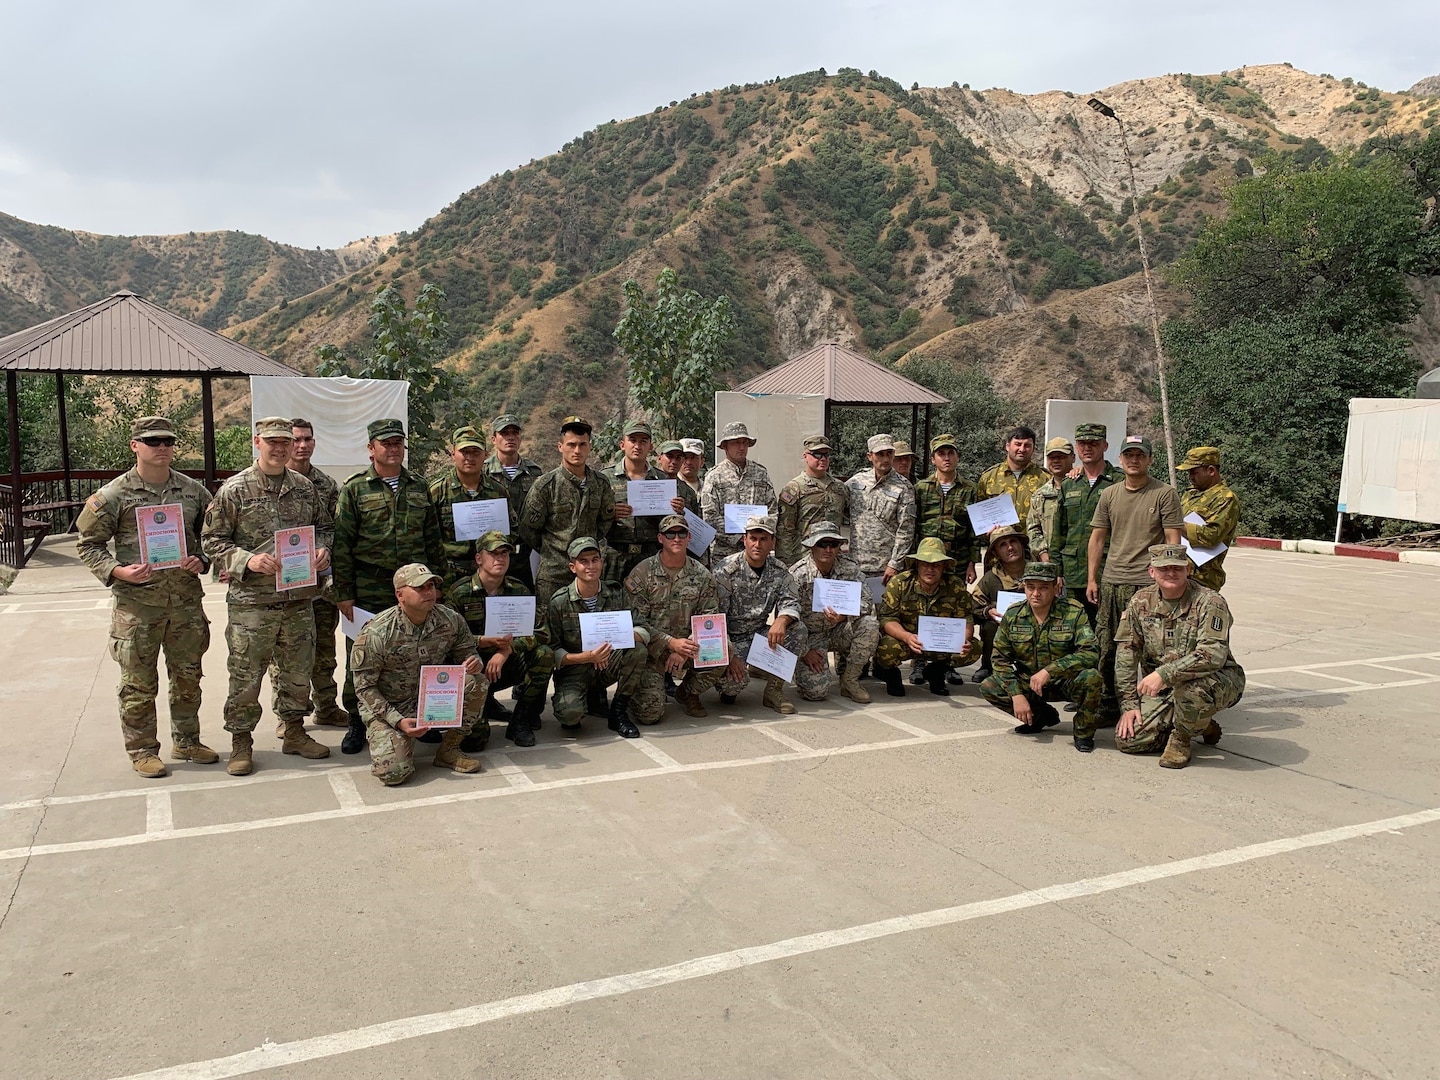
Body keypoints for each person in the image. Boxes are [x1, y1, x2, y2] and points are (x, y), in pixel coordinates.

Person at [76, 416, 214, 777]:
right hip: (137, 607)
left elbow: (214, 537)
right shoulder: (112, 496)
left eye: (168, 441)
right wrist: (118, 571)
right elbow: (88, 545)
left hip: (184, 603)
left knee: (188, 677)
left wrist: (202, 560)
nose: (162, 448)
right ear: (135, 445)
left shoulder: (193, 492)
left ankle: (187, 741)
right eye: (153, 441)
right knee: (138, 683)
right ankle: (142, 750)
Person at [202, 417, 334, 776]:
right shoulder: (235, 490)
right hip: (253, 603)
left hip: (297, 598)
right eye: (271, 442)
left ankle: (293, 731)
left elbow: (324, 528)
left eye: (285, 442)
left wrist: (322, 550)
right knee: (245, 675)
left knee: (296, 671)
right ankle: (241, 741)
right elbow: (212, 541)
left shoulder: (305, 488)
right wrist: (248, 560)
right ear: (257, 442)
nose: (279, 448)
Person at [332, 418, 446, 755]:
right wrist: (344, 593)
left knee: (419, 653)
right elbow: (342, 545)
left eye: (398, 442)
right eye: (386, 443)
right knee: (362, 656)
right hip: (370, 587)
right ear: (372, 449)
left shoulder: (419, 487)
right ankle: (357, 719)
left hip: (414, 589)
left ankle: (420, 718)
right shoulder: (354, 489)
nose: (393, 448)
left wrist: (436, 590)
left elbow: (432, 539)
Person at [350, 564, 487, 785]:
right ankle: (397, 741)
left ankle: (449, 750)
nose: (429, 592)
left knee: (476, 682)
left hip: (433, 698)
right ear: (400, 595)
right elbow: (364, 688)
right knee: (394, 774)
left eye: (431, 586)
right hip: (392, 705)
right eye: (420, 587)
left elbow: (468, 651)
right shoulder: (377, 633)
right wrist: (398, 721)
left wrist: (474, 662)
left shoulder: (450, 619)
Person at [1114, 545, 1246, 768]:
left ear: (1188, 570)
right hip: (1166, 686)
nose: (1171, 573)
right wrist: (1129, 705)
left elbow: (1213, 654)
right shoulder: (1140, 602)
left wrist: (1164, 674)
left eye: (1177, 567)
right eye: (1164, 568)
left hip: (1216, 680)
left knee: (1190, 691)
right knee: (1129, 740)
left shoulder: (1210, 602)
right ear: (1152, 572)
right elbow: (1126, 653)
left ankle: (1182, 739)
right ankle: (1200, 723)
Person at [1087, 434, 1184, 720]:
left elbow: (1172, 538)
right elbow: (1097, 539)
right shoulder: (1110, 494)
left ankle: (1157, 703)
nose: (1134, 459)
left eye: (1140, 455)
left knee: (1155, 649)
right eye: (1128, 454)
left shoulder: (1164, 493)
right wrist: (1093, 578)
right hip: (1113, 581)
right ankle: (1108, 703)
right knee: (1107, 645)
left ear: (1150, 459)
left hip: (1148, 584)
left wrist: (1168, 579)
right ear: (1120, 459)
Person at [445, 531, 554, 748]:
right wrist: (482, 641)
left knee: (544, 655)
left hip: (504, 664)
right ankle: (480, 708)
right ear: (478, 558)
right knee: (474, 743)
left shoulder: (518, 590)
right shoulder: (459, 593)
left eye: (505, 553)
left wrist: (506, 650)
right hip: (473, 668)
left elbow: (541, 632)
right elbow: (447, 639)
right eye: (493, 553)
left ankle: (520, 721)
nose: (500, 558)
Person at [978, 562, 1103, 751]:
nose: (1036, 594)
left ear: (1055, 587)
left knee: (1092, 678)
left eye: (1043, 588)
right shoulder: (1013, 615)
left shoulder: (1073, 612)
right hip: (1029, 682)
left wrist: (1050, 671)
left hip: (1064, 681)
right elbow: (999, 659)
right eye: (1030, 587)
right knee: (990, 686)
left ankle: (1083, 732)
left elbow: (1090, 652)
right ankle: (1039, 716)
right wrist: (1016, 695)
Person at [625, 515, 726, 722]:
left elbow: (710, 619)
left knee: (723, 648)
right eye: (670, 533)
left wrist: (684, 649)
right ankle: (643, 689)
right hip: (652, 652)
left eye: (681, 533)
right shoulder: (642, 573)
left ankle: (688, 692)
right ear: (660, 538)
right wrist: (670, 643)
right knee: (648, 714)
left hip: (687, 648)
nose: (676, 538)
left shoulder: (702, 575)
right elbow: (635, 622)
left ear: (689, 537)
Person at [281, 418, 347, 731]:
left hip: (319, 584)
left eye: (307, 439)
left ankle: (327, 706)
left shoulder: (326, 485)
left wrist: (325, 549)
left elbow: (334, 529)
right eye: (296, 440)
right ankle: (287, 716)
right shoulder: (271, 482)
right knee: (285, 654)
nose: (302, 445)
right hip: (282, 585)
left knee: (324, 648)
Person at [544, 537, 645, 738]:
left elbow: (642, 627)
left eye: (595, 559)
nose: (591, 566)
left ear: (602, 562)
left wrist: (625, 635)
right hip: (576, 668)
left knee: (638, 650)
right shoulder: (560, 602)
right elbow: (551, 649)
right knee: (570, 717)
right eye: (584, 561)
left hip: (608, 663)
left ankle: (618, 712)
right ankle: (584, 698)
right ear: (573, 567)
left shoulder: (616, 593)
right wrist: (587, 657)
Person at [517, 414, 615, 608]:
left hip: (588, 572)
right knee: (550, 630)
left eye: (582, 444)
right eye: (571, 445)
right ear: (560, 447)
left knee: (587, 629)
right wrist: (553, 550)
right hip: (554, 573)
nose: (577, 450)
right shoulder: (545, 486)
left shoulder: (601, 484)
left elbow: (605, 522)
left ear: (590, 447)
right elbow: (528, 529)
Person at [712, 515, 804, 714]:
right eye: (753, 538)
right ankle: (730, 681)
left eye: (764, 539)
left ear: (773, 542)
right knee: (732, 687)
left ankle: (774, 691)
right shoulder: (725, 571)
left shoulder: (779, 571)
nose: (757, 544)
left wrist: (782, 619)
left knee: (797, 628)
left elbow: (791, 602)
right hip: (730, 638)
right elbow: (715, 620)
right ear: (744, 540)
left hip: (758, 635)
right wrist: (730, 654)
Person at [911, 432, 977, 686]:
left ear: (957, 456)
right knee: (921, 607)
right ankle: (919, 661)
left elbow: (974, 528)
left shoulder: (970, 489)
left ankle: (946, 662)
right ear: (933, 459)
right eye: (941, 454)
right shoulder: (921, 488)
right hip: (926, 559)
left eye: (951, 453)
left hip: (956, 558)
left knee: (952, 607)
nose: (946, 458)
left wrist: (972, 560)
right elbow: (914, 525)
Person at [788, 520, 879, 704]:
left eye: (833, 544)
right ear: (812, 546)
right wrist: (804, 651)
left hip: (840, 630)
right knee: (816, 693)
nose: (828, 549)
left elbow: (868, 601)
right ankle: (802, 672)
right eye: (822, 544)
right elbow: (787, 617)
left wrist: (844, 615)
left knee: (870, 624)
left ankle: (850, 680)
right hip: (810, 637)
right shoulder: (798, 574)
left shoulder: (850, 568)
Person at [874, 538, 975, 698]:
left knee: (973, 649)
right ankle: (891, 676)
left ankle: (936, 672)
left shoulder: (955, 586)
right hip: (907, 640)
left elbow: (966, 619)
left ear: (944, 567)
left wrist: (964, 640)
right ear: (917, 565)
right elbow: (887, 619)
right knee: (885, 647)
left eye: (936, 565)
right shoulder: (899, 583)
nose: (930, 569)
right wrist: (907, 637)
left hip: (940, 643)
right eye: (925, 564)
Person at [605, 420, 697, 585]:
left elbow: (671, 526)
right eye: (632, 440)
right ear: (622, 444)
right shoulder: (605, 478)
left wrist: (678, 511)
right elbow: (591, 520)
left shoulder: (663, 480)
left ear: (651, 447)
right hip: (614, 558)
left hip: (651, 556)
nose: (637, 446)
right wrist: (609, 513)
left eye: (643, 441)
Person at [1050, 423, 1122, 627]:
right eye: (1082, 443)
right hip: (1073, 573)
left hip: (1108, 569)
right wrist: (1057, 572)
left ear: (1105, 446)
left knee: (1108, 629)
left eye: (1094, 443)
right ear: (1076, 447)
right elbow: (1059, 532)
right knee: (1074, 629)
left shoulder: (1119, 481)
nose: (1087, 448)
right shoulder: (1069, 484)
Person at [428, 425, 510, 590]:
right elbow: (428, 539)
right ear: (453, 454)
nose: (470, 458)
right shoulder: (437, 491)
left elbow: (512, 531)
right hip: (449, 576)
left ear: (485, 455)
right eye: (464, 452)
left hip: (489, 577)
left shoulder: (498, 491)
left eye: (475, 452)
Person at [845, 433, 917, 588]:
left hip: (885, 569)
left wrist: (895, 564)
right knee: (855, 611)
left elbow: (906, 530)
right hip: (855, 565)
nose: (885, 459)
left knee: (885, 611)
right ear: (869, 456)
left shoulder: (904, 487)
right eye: (880, 454)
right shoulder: (855, 482)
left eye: (889, 453)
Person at [700, 422, 776, 562]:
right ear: (725, 446)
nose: (741, 447)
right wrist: (739, 537)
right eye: (736, 443)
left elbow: (772, 510)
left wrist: (759, 535)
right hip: (725, 555)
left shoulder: (760, 473)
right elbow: (710, 517)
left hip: (757, 552)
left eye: (744, 443)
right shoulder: (714, 476)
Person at [484, 414, 544, 588]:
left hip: (525, 554)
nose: (510, 437)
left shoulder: (534, 472)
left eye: (514, 433)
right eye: (504, 433)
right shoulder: (483, 472)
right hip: (492, 555)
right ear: (494, 439)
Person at [972, 426, 1047, 561]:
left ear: (1034, 449)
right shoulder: (989, 477)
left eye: (1027, 445)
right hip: (999, 554)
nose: (1022, 449)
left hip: (1034, 553)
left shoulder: (1045, 478)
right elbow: (979, 516)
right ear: (1007, 446)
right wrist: (986, 532)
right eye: (1017, 444)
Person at [776, 434, 851, 568]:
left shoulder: (840, 488)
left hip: (833, 559)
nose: (822, 459)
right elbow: (785, 530)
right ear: (805, 456)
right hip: (804, 559)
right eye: (817, 454)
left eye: (826, 455)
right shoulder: (794, 488)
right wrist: (786, 563)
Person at [968, 524, 1029, 684]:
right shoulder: (991, 578)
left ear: (1021, 544)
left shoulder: (1037, 572)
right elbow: (974, 606)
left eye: (1013, 541)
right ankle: (989, 666)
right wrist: (988, 611)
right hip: (1003, 630)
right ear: (995, 553)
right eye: (1003, 545)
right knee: (990, 626)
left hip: (1035, 630)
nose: (1010, 547)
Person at [1178, 446, 1240, 592]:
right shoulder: (1190, 494)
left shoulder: (1226, 499)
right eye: (1189, 472)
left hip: (1202, 580)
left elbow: (1212, 536)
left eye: (1194, 472)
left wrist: (1175, 523)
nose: (1190, 477)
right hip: (1178, 572)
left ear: (1211, 471)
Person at [1026, 436, 1074, 563]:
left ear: (1073, 458)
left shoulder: (1083, 489)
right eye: (1052, 457)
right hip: (1049, 563)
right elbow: (1033, 529)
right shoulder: (1039, 495)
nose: (1056, 461)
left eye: (1061, 457)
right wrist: (1043, 554)